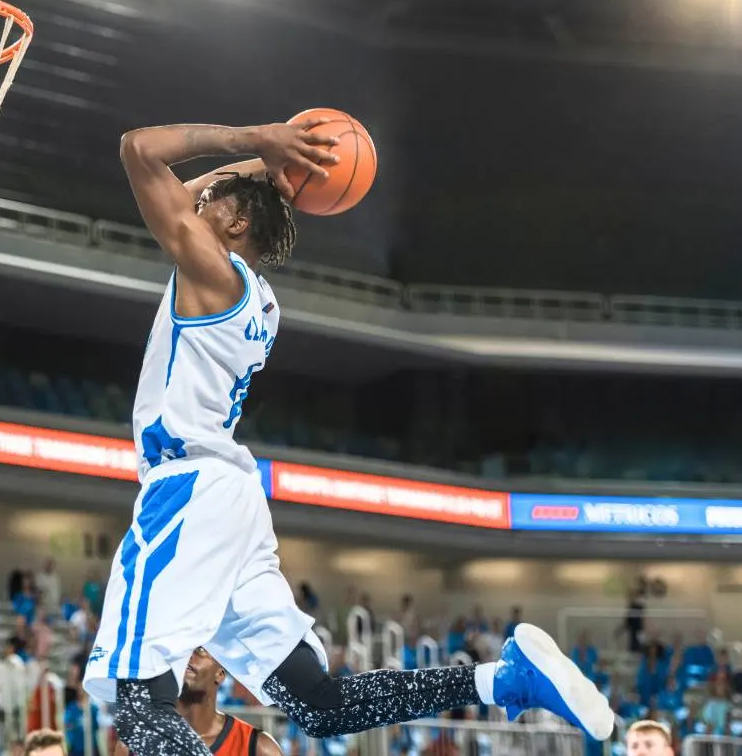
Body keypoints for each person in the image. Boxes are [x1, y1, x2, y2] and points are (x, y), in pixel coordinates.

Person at [80, 119, 615, 754]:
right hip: (230, 499)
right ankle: (504, 681)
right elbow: (191, 184)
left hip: (186, 486)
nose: (198, 202)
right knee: (318, 702)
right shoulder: (256, 298)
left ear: (233, 226)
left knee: (140, 704)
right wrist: (273, 161)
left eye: (211, 206)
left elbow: (139, 150)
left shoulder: (213, 273)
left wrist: (256, 137)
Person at [115, 648, 282, 756]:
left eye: (200, 650)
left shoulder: (258, 747)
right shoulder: (133, 745)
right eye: (183, 650)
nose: (188, 657)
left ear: (220, 674)